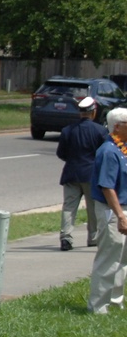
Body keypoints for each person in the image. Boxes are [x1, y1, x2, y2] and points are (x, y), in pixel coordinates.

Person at [87, 107, 127, 314]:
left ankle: (115, 300)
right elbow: (107, 186)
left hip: (123, 208)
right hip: (114, 211)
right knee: (109, 258)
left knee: (122, 260)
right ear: (118, 127)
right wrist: (120, 216)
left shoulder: (123, 149)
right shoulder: (109, 151)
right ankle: (98, 305)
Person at [57, 97, 107, 250]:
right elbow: (103, 153)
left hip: (71, 173)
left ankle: (66, 237)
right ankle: (93, 237)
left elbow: (61, 153)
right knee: (92, 208)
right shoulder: (100, 131)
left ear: (80, 113)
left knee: (69, 207)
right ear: (93, 112)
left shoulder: (67, 130)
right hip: (91, 175)